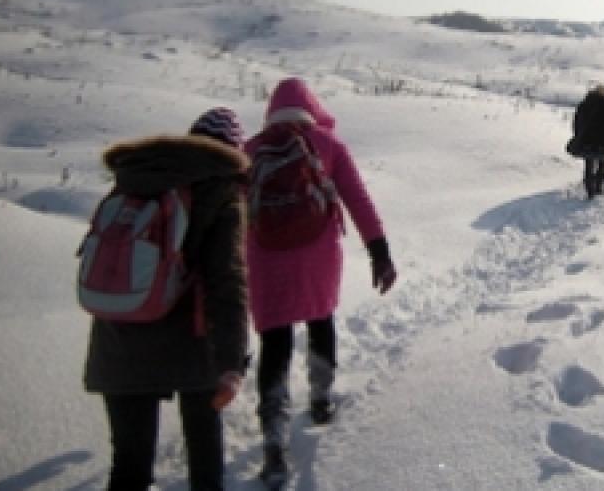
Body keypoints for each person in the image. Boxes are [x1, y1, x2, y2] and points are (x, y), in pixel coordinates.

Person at [83, 107, 250, 491]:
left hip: (118, 334)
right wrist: (231, 362)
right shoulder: (221, 192)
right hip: (192, 345)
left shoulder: (134, 179)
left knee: (129, 466)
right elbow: (228, 280)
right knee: (204, 457)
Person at [246, 77, 397, 485]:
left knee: (274, 345)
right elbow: (358, 201)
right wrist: (379, 252)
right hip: (318, 256)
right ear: (313, 107)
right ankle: (320, 398)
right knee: (320, 321)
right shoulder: (329, 147)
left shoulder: (251, 150)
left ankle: (274, 442)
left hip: (265, 261)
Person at [570, 84, 604, 199]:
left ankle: (589, 190)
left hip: (586, 140)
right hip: (602, 141)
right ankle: (598, 187)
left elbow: (576, 123)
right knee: (602, 163)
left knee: (588, 164)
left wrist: (578, 136)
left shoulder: (583, 105)